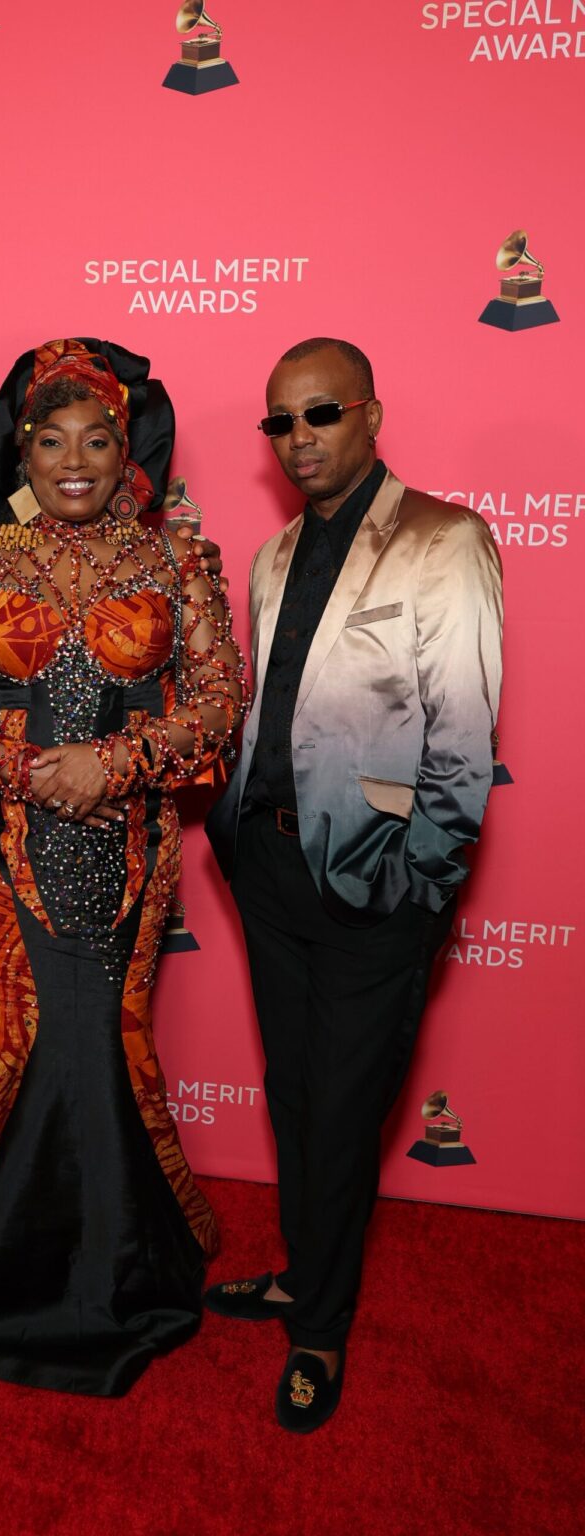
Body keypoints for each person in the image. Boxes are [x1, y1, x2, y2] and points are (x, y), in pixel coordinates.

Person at [0, 339, 246, 1396]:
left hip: (129, 850)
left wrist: (113, 764)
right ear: (20, 450)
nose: (74, 459)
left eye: (98, 438)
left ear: (130, 452)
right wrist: (34, 772)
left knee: (103, 1038)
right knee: (17, 1033)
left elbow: (218, 706)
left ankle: (119, 1264)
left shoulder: (177, 563)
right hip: (5, 847)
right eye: (50, 438)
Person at [204, 337, 503, 1432]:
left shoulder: (444, 540)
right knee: (293, 1096)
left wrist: (421, 886)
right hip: (268, 865)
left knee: (339, 1108)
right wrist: (233, 834)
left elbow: (463, 740)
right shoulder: (273, 555)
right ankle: (302, 1272)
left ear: (370, 415)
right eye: (278, 424)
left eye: (318, 415)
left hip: (378, 882)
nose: (297, 440)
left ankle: (318, 1327)